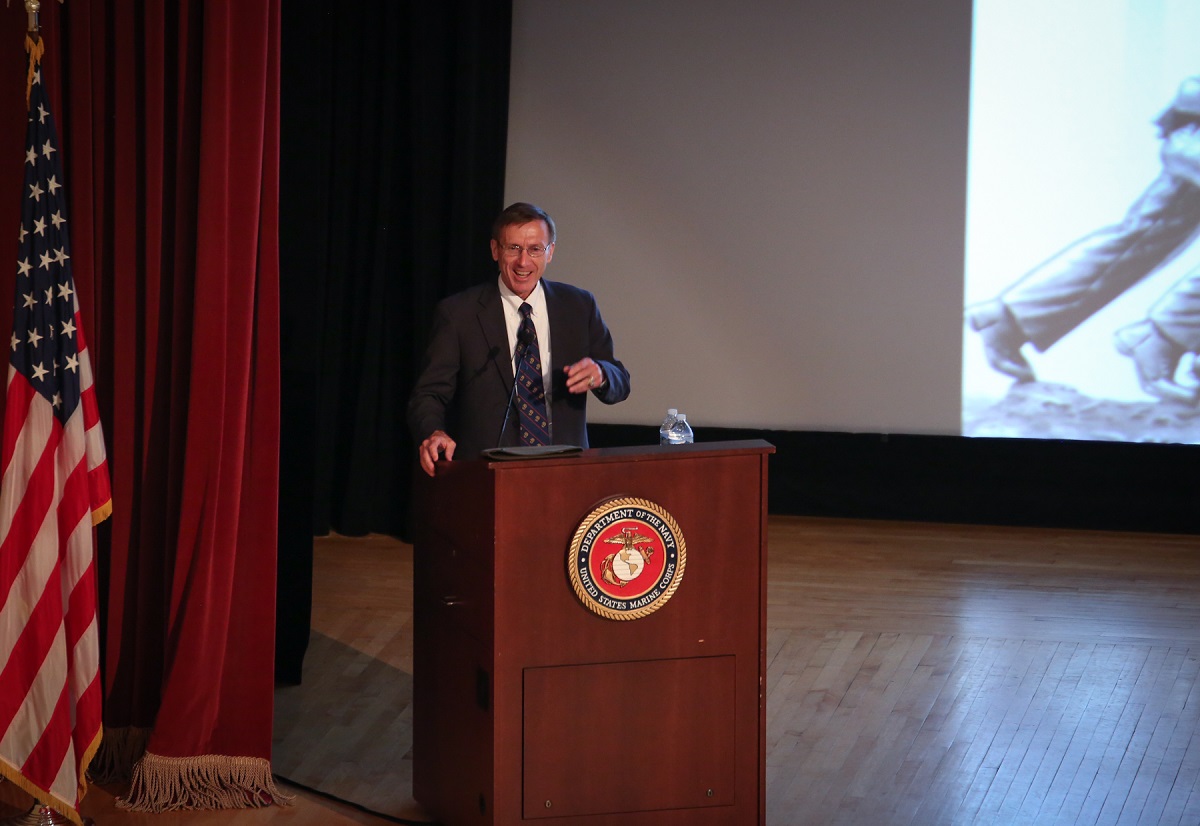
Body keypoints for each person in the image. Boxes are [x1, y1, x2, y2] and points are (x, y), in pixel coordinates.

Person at [967, 75, 1200, 405]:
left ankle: (1008, 317)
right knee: (1132, 245)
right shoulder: (1189, 139)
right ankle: (1161, 337)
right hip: (1193, 133)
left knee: (1137, 243)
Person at [408, 202, 631, 476]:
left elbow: (620, 380)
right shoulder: (459, 314)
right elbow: (428, 395)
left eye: (535, 249)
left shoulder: (578, 306)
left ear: (550, 253)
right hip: (488, 475)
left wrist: (601, 374)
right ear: (494, 250)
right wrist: (434, 432)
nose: (523, 262)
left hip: (566, 470)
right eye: (513, 248)